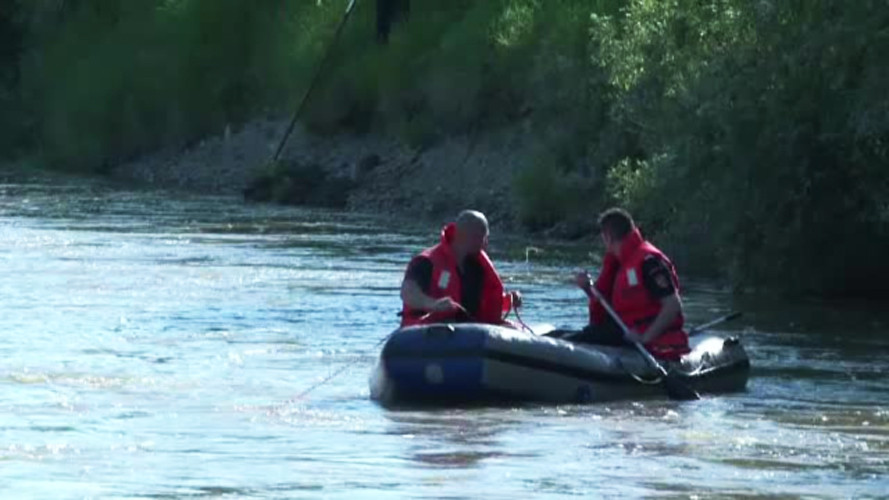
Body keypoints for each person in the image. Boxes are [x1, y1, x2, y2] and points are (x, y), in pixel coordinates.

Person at [572, 208, 690, 360]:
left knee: (573, 340)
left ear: (607, 237)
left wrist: (645, 337)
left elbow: (672, 305)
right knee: (560, 336)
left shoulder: (648, 262)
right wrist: (588, 289)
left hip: (642, 340)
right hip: (621, 332)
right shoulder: (621, 263)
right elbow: (614, 304)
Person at [400, 210, 521, 327]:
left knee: (512, 329)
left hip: (467, 331)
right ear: (463, 235)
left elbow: (478, 302)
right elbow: (408, 293)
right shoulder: (426, 262)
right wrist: (433, 304)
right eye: (482, 237)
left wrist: (507, 301)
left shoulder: (477, 268)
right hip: (428, 330)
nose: (485, 243)